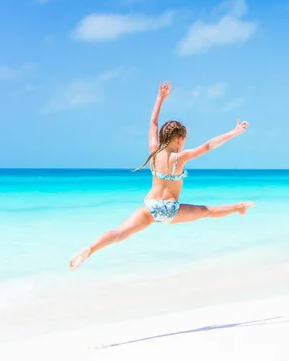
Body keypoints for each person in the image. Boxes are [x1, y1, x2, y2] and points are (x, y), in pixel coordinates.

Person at [69, 81, 255, 270]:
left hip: (150, 207)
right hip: (170, 210)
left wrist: (160, 98)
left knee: (119, 233)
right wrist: (234, 132)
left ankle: (91, 249)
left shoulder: (154, 151)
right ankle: (238, 207)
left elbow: (153, 123)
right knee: (206, 211)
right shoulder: (180, 157)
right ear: (180, 139)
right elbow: (209, 145)